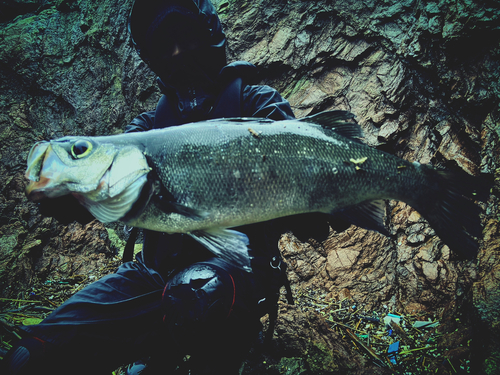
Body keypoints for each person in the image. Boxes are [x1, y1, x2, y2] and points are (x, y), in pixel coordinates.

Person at [2, 0, 295, 374]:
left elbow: (305, 167)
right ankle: (152, 346)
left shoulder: (259, 104)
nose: (177, 54)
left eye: (186, 37)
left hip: (237, 275)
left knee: (197, 292)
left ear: (210, 36)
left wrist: (319, 209)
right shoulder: (147, 127)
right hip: (151, 275)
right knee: (33, 354)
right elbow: (111, 174)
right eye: (164, 46)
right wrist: (77, 196)